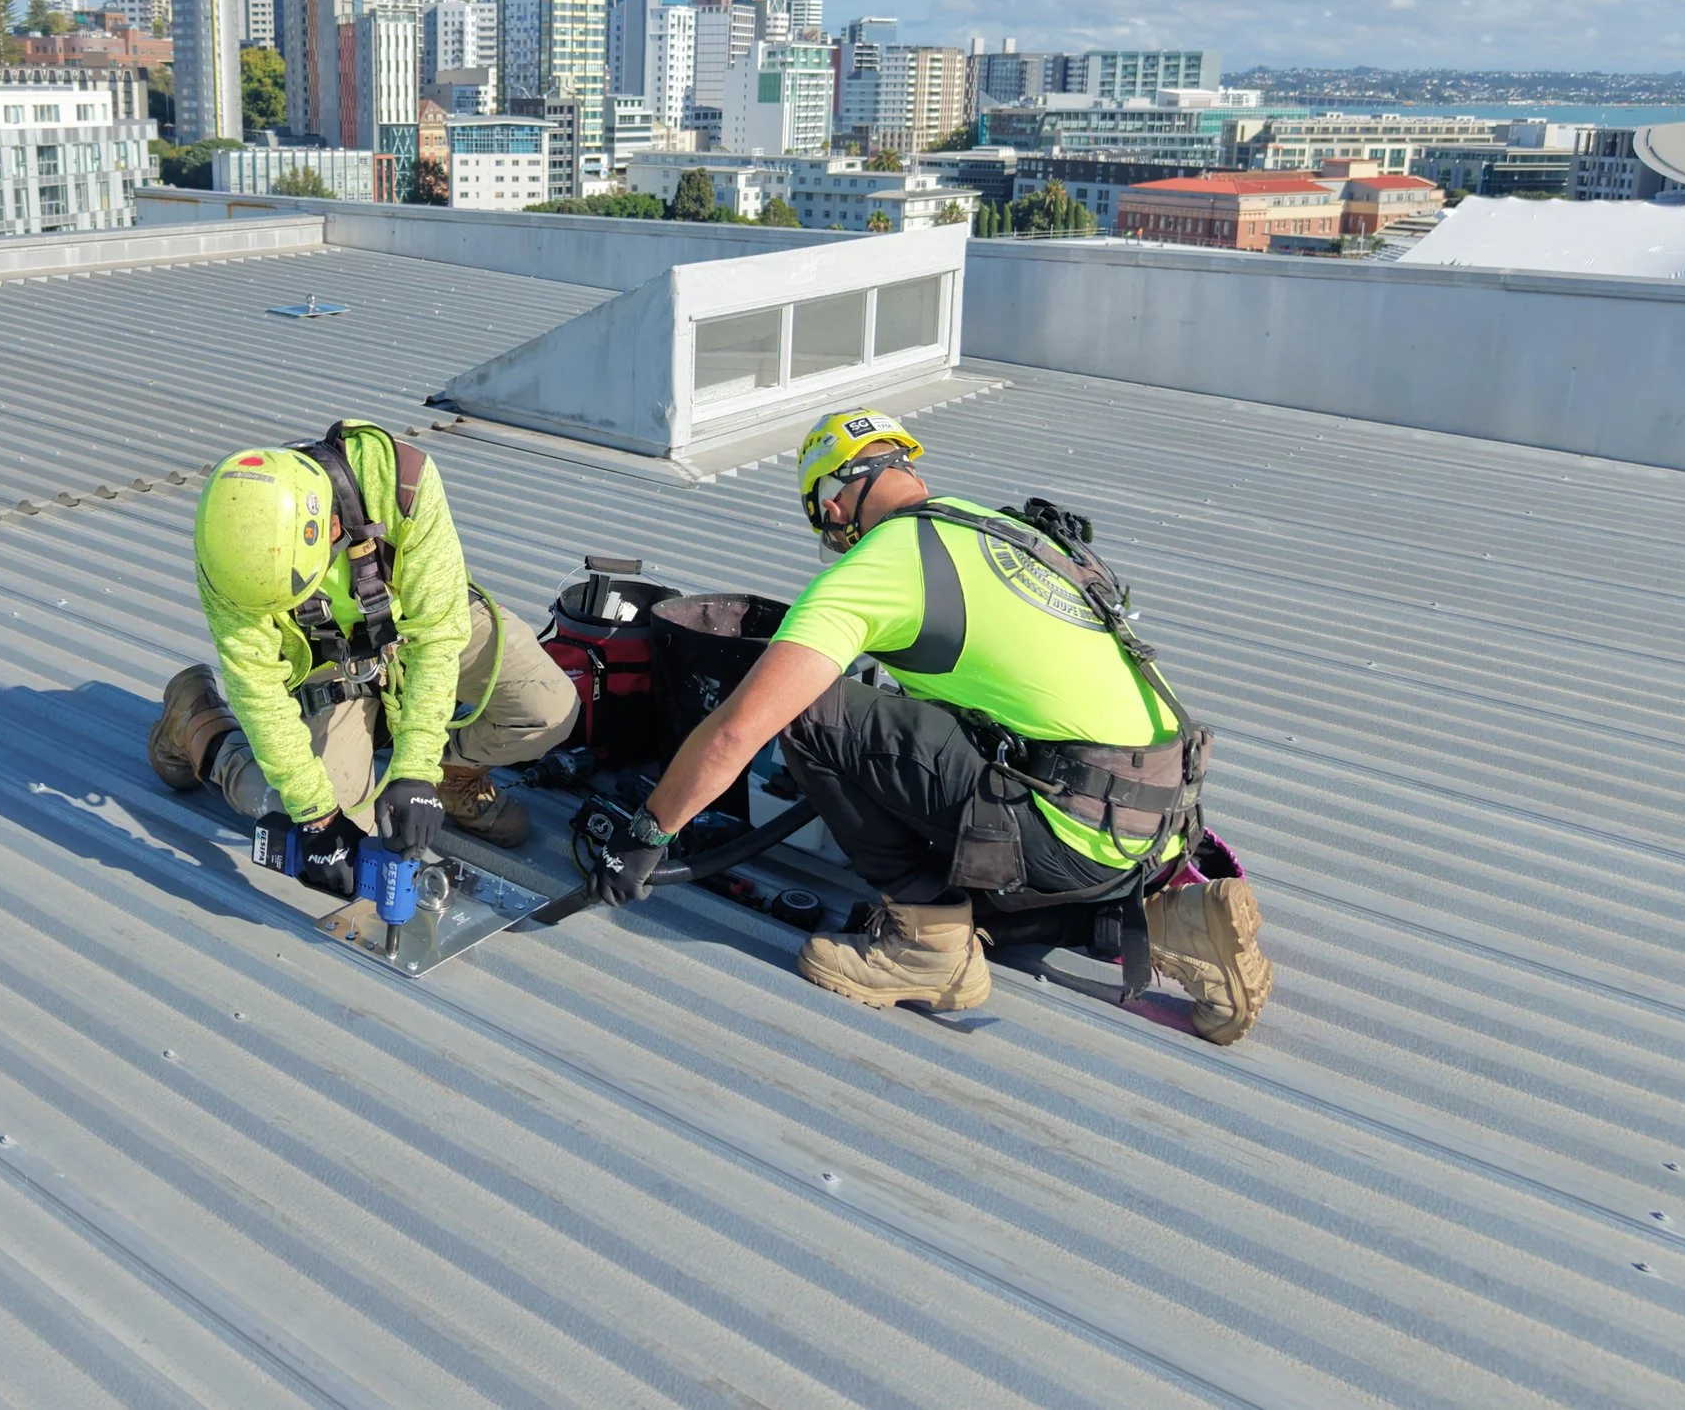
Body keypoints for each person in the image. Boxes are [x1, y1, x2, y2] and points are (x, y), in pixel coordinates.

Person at [590, 408, 1273, 1045]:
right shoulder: (997, 526)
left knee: (810, 714)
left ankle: (929, 944)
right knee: (976, 872)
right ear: (905, 468)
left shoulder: (874, 568)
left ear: (833, 505)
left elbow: (739, 728)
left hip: (1078, 827)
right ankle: (1177, 920)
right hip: (1160, 816)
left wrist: (647, 835)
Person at [148, 420, 576, 853]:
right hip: (327, 663)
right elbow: (257, 686)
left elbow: (437, 637)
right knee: (336, 831)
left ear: (333, 529)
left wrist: (416, 771)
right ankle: (201, 728)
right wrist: (317, 815)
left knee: (549, 704)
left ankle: (449, 776)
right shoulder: (227, 547)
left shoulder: (400, 482)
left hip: (415, 629)